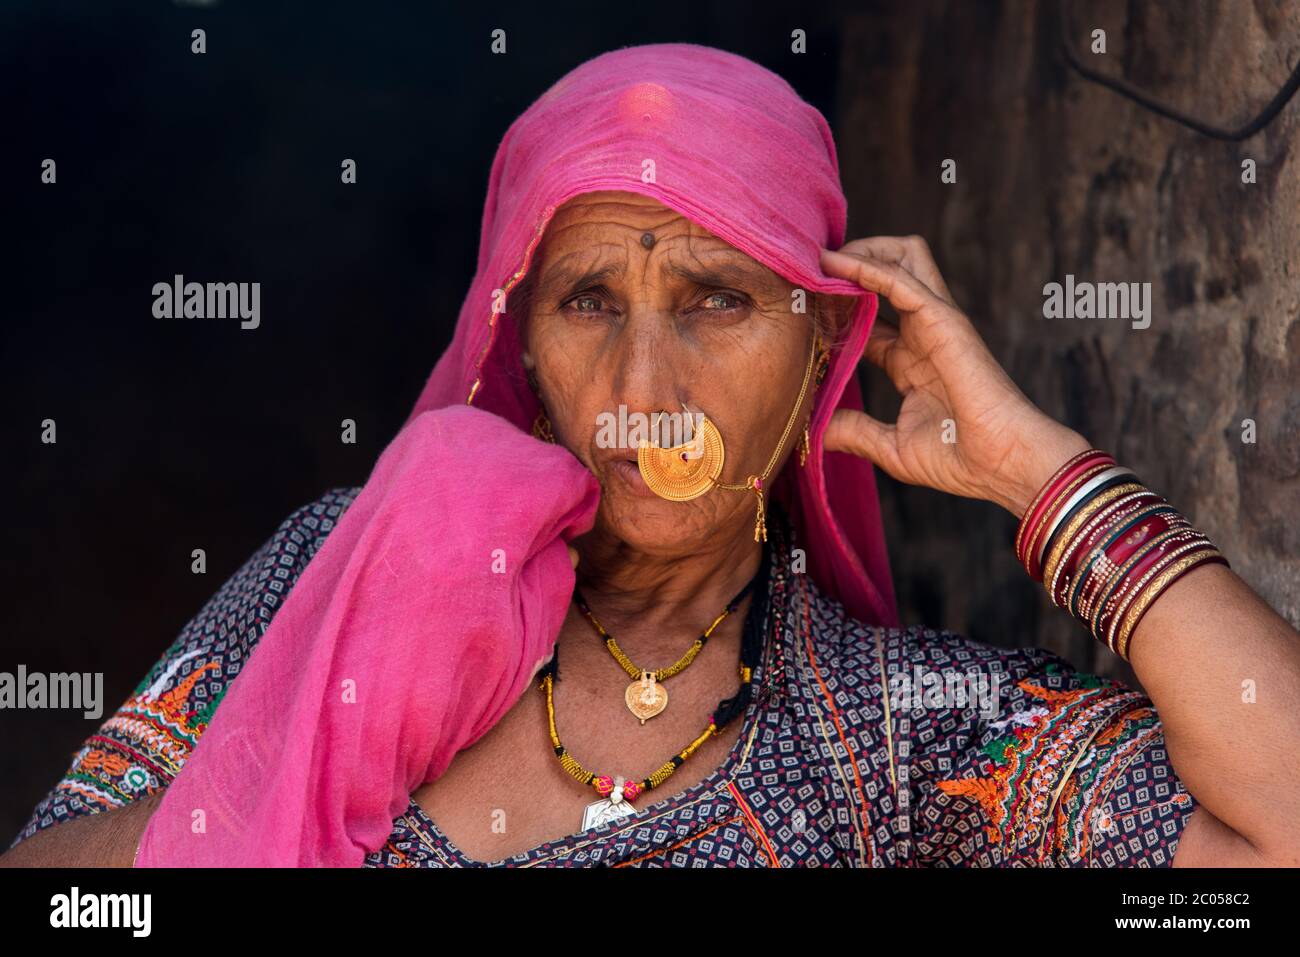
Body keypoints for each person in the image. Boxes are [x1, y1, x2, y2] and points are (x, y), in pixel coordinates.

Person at [5, 43, 1298, 868]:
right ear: (519, 340)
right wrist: (312, 734)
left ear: (823, 344)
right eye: (586, 304)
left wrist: (1040, 476)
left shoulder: (895, 736)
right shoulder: (347, 567)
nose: (640, 388)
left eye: (716, 300)